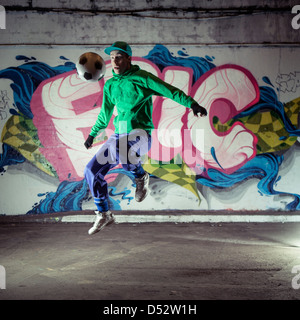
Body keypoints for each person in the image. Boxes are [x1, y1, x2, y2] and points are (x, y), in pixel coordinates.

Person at [84, 41, 207, 235]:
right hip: (118, 136)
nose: (115, 61)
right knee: (91, 170)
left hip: (140, 135)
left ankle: (140, 176)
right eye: (112, 57)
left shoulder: (142, 78)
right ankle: (103, 214)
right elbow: (104, 114)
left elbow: (170, 90)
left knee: (122, 151)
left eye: (119, 57)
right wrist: (92, 134)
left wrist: (193, 104)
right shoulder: (110, 85)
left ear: (128, 59)